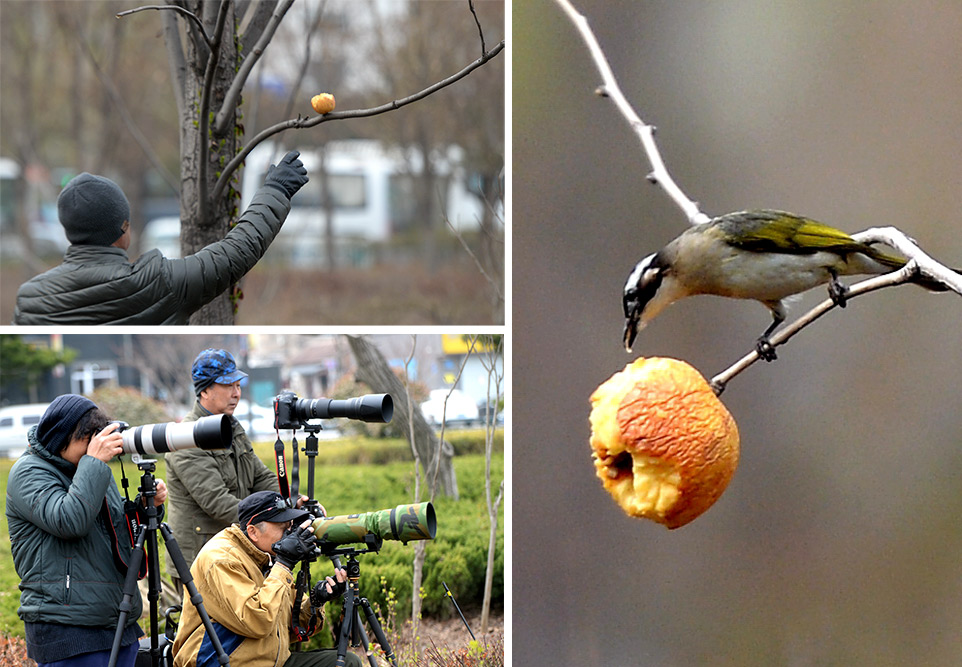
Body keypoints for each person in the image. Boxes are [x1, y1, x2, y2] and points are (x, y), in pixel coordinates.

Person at [13, 150, 308, 325]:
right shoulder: (156, 282)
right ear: (124, 229)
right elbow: (235, 251)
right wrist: (276, 190)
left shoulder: (30, 299)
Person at [5, 394, 168, 666]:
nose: (96, 444)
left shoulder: (89, 467)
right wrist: (94, 463)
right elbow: (70, 521)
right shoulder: (28, 472)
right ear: (62, 436)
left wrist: (143, 508)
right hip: (68, 629)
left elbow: (117, 531)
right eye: (88, 437)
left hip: (116, 620)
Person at [172, 490, 361, 667]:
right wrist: (284, 563)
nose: (289, 534)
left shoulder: (265, 554)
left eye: (289, 526)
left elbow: (288, 627)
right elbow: (259, 622)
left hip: (267, 660)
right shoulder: (221, 559)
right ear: (253, 532)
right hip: (226, 661)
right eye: (281, 527)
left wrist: (316, 600)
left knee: (347, 662)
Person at [164, 348, 283, 593]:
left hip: (231, 551)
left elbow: (261, 476)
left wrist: (288, 506)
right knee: (203, 632)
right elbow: (217, 502)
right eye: (228, 385)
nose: (236, 393)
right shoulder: (186, 437)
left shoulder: (230, 426)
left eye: (238, 385)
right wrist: (265, 523)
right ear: (205, 390)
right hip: (200, 561)